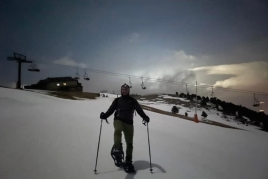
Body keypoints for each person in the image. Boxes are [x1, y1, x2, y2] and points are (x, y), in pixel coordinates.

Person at [100, 83, 150, 173]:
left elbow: (139, 110)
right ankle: (118, 148)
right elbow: (111, 110)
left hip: (129, 123)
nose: (124, 91)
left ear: (128, 91)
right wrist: (105, 115)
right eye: (123, 89)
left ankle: (128, 160)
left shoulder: (133, 101)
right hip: (118, 120)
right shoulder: (117, 100)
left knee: (130, 143)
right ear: (121, 90)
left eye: (126, 89)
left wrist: (145, 117)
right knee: (117, 130)